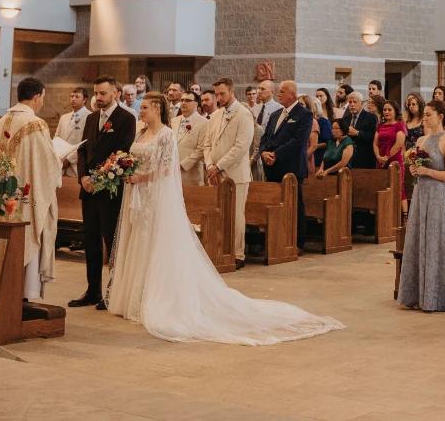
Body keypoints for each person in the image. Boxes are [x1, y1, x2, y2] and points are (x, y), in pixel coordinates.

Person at [107, 92, 343, 342]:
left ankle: (153, 298)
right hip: (137, 196)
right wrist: (123, 168)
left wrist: (141, 178)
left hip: (155, 196)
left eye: (144, 107)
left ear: (156, 108)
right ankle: (132, 296)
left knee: (153, 243)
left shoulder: (166, 134)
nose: (140, 111)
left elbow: (165, 168)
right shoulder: (141, 132)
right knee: (136, 241)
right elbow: (134, 158)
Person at [0, 77, 61, 299]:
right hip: (25, 197)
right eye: (43, 97)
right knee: (25, 234)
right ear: (36, 97)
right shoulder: (35, 124)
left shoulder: (2, 121)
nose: (42, 101)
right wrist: (59, 160)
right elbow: (46, 163)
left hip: (0, 195)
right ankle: (23, 292)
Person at [71, 77, 137, 309]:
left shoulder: (126, 119)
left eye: (103, 94)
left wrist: (98, 178)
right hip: (88, 190)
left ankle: (113, 292)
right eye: (96, 93)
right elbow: (81, 150)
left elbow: (123, 154)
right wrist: (83, 177)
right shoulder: (91, 118)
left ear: (116, 94)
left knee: (111, 241)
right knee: (90, 241)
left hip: (110, 190)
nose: (98, 98)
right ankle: (93, 290)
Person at [397, 100, 445, 312]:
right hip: (420, 194)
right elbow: (418, 166)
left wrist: (428, 172)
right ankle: (414, 294)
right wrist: (415, 169)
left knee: (433, 243)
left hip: (436, 196)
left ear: (441, 116)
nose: (424, 118)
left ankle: (434, 297)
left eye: (429, 114)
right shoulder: (422, 139)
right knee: (416, 241)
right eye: (424, 114)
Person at [199, 78, 254, 268]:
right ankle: (219, 250)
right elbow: (206, 144)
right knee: (218, 213)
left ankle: (238, 254)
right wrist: (209, 165)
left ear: (231, 91)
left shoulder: (244, 114)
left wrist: (219, 165)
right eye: (217, 94)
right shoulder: (215, 116)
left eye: (222, 93)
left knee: (236, 214)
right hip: (214, 173)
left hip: (235, 174)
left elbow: (241, 147)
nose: (219, 97)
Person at [259, 81, 312, 182]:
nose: (278, 94)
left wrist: (275, 154)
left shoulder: (304, 114)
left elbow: (299, 140)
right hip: (271, 169)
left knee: (293, 198)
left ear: (292, 94)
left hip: (291, 169)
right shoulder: (275, 114)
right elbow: (265, 137)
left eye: (282, 92)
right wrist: (263, 153)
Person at [374, 99, 409, 199]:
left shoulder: (399, 124)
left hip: (394, 160)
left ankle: (404, 215)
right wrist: (378, 156)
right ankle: (385, 213)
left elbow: (399, 144)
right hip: (380, 160)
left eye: (389, 110)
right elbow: (375, 143)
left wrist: (386, 157)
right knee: (382, 187)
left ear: (395, 111)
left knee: (398, 188)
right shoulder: (380, 125)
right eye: (385, 110)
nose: (386, 112)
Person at [174, 91, 208, 184]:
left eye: (188, 100)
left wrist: (182, 165)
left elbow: (201, 149)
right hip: (171, 172)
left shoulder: (204, 122)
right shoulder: (174, 121)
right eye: (182, 100)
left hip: (191, 173)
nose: (183, 103)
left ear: (196, 104)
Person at [55, 87, 89, 177]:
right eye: (71, 96)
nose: (73, 99)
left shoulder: (90, 117)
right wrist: (58, 157)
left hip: (76, 165)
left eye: (77, 97)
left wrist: (69, 159)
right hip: (60, 163)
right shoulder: (64, 117)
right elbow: (56, 138)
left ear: (84, 99)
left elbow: (87, 142)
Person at [342, 91, 378, 169]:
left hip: (364, 158)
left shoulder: (371, 117)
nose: (352, 104)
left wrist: (357, 133)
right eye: (350, 102)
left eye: (355, 102)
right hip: (348, 159)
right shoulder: (345, 119)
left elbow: (372, 136)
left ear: (361, 103)